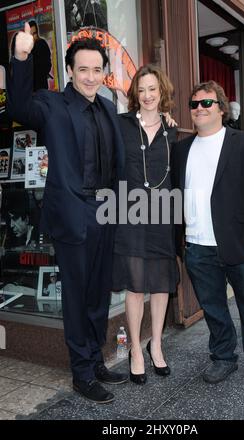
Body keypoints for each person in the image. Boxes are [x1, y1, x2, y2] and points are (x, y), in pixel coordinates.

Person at [7, 23, 127, 404]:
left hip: (105, 211)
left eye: (97, 70)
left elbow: (119, 164)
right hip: (73, 213)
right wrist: (21, 57)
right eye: (83, 70)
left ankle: (95, 358)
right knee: (77, 297)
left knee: (99, 293)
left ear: (103, 73)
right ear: (71, 72)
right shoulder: (52, 104)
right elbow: (18, 107)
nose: (91, 77)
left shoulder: (109, 107)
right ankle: (81, 373)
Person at [171, 80, 244, 389]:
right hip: (197, 246)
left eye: (206, 103)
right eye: (194, 104)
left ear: (221, 108)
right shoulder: (181, 149)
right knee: (213, 308)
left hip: (240, 243)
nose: (199, 109)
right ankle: (223, 357)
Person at [112, 65, 179, 385]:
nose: (148, 95)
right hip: (131, 215)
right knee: (136, 285)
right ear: (134, 95)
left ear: (161, 92)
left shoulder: (172, 131)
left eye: (153, 89)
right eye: (142, 90)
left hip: (163, 217)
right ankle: (136, 350)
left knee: (162, 284)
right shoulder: (121, 125)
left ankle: (157, 345)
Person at [28, 20, 52, 91]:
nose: (32, 36)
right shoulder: (27, 49)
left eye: (34, 33)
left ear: (37, 32)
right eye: (30, 34)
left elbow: (47, 65)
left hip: (41, 87)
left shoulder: (41, 44)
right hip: (30, 88)